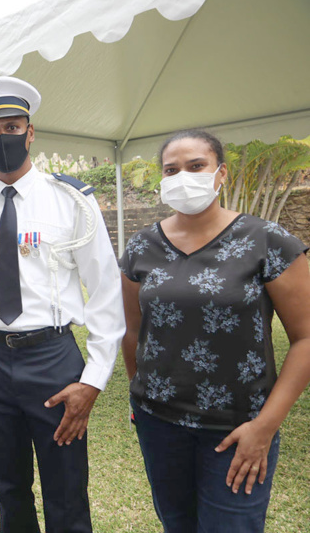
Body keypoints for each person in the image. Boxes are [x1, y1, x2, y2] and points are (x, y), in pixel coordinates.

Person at [0, 76, 125, 533]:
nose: (3, 138)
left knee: (66, 487)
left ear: (31, 131)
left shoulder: (73, 202)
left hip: (52, 358)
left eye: (12, 126)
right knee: (8, 486)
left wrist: (93, 380)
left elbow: (105, 293)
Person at [119, 128, 310, 533]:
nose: (182, 176)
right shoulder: (140, 247)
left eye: (196, 166)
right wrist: (141, 398)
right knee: (177, 524)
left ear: (220, 173)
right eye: (171, 169)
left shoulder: (268, 242)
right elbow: (133, 332)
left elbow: (306, 338)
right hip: (159, 423)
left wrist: (265, 426)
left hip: (238, 427)